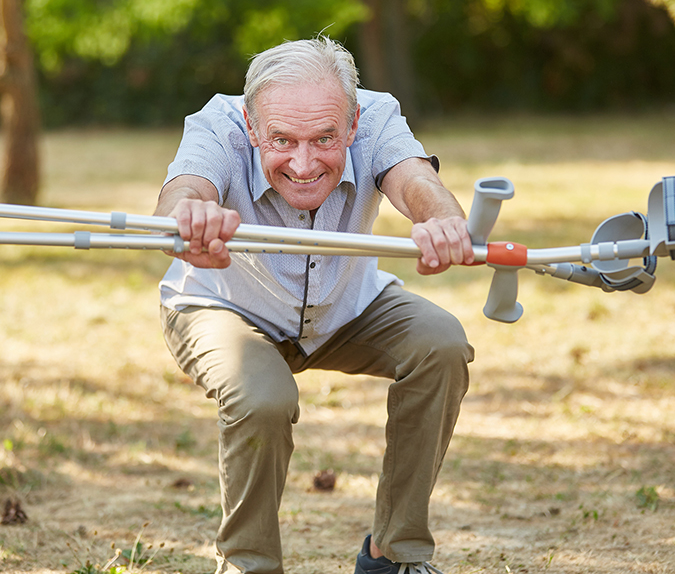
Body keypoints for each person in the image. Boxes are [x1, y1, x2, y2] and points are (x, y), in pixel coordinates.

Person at [155, 36, 475, 574]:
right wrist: (190, 219)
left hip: (344, 309)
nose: (304, 163)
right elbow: (183, 191)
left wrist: (439, 218)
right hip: (224, 305)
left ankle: (393, 556)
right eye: (281, 139)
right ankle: (248, 565)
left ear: (350, 127)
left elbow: (417, 179)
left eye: (326, 138)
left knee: (441, 344)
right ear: (252, 127)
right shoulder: (218, 125)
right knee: (264, 398)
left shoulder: (375, 116)